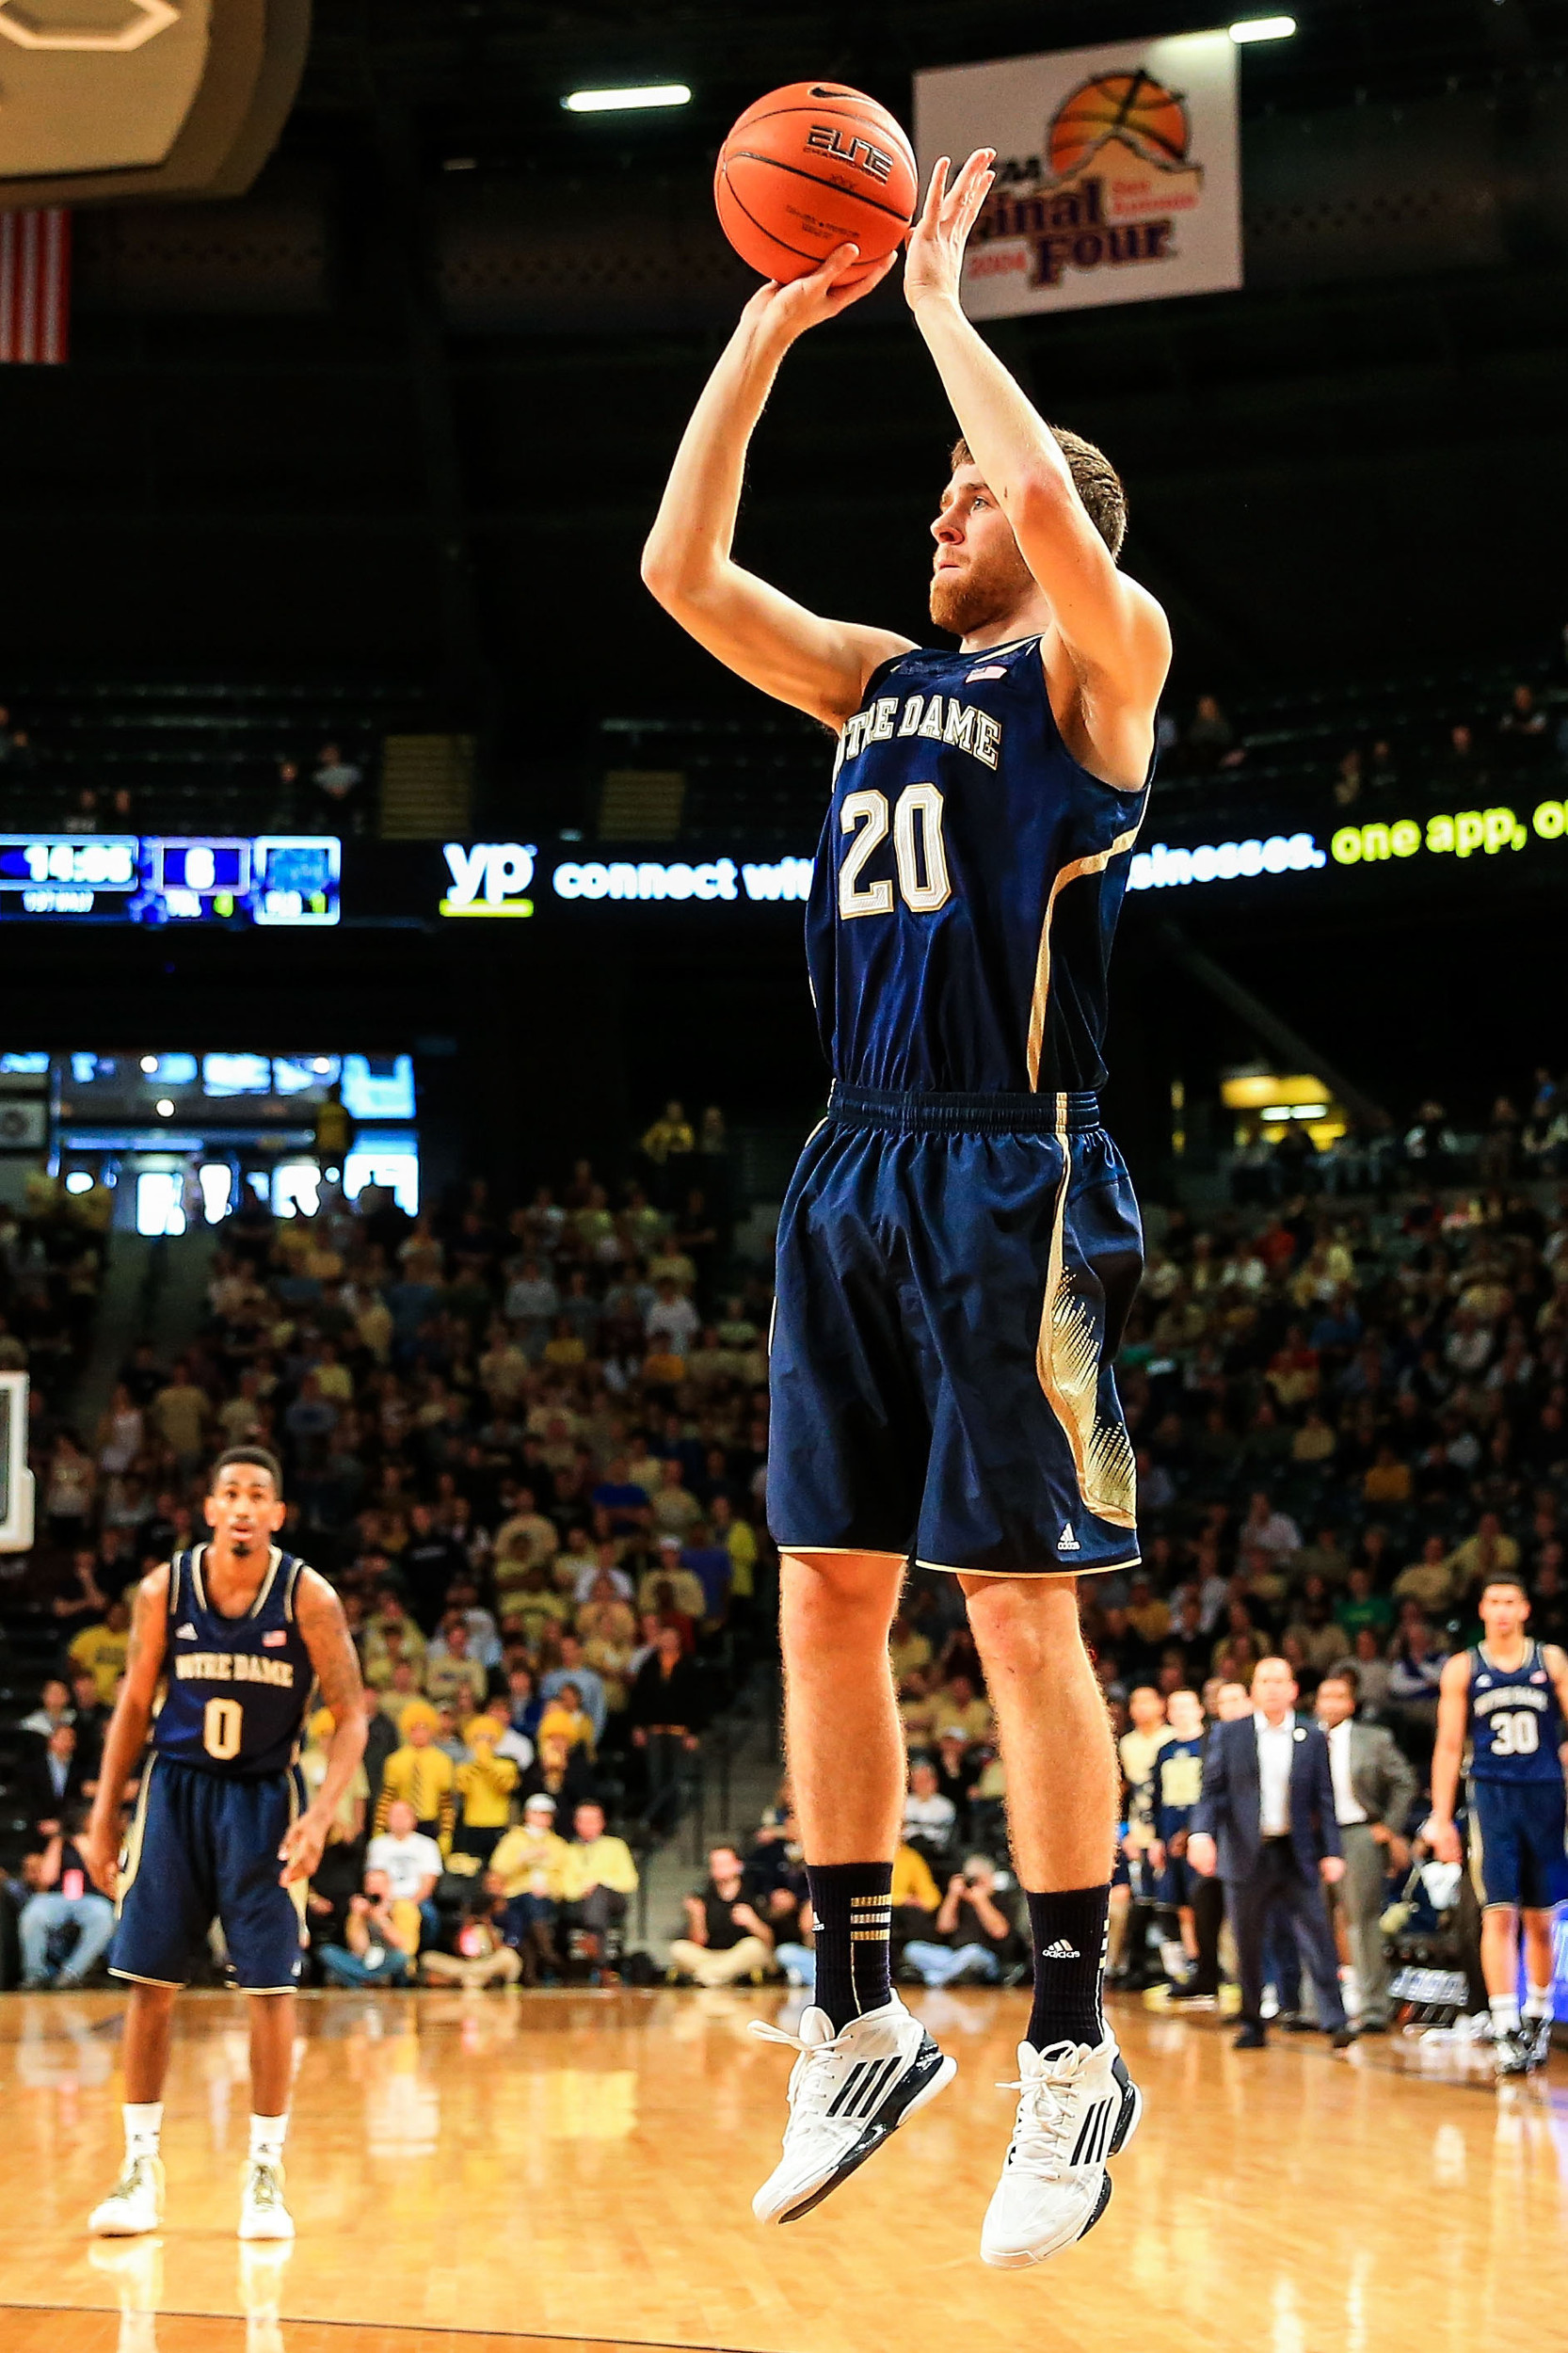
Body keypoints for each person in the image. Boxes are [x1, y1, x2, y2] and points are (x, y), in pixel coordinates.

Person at [643, 144, 1168, 2267]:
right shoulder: (870, 675)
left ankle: (1066, 2044)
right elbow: (682, 571)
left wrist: (948, 311)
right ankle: (853, 2013)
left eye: (961, 496)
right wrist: (760, 336)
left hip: (1007, 1160)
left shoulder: (1092, 667)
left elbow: (1036, 503)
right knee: (822, 1597)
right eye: (937, 493)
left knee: (1015, 1608)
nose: (934, 509)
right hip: (847, 1157)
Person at [79, 1447, 366, 2240]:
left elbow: (353, 1717)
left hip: (265, 1801)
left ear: (278, 1514)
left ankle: (266, 2173)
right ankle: (140, 2168)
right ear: (209, 1509)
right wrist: (105, 1816)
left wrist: (321, 1812)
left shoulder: (308, 1596)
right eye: (230, 1493)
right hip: (175, 1794)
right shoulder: (161, 1591)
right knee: (148, 1981)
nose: (243, 1507)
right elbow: (133, 1707)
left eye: (258, 1496)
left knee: (270, 1988)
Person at [1425, 1575, 1568, 2077]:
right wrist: (1441, 1817)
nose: (1503, 1610)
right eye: (1494, 1602)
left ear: (1525, 1609)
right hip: (1492, 1796)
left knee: (1541, 1918)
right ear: (1482, 1610)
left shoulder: (1550, 1661)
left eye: (1511, 1601)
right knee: (1498, 1913)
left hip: (1547, 1794)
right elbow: (1447, 1746)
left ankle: (1539, 2015)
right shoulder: (1464, 1666)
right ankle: (1505, 2022)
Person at [1188, 1656, 1352, 2051]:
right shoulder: (1231, 1734)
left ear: (1293, 1689)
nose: (1273, 1688)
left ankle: (1335, 2019)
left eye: (1281, 1680)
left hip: (1296, 1853)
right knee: (1247, 1940)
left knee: (1318, 1935)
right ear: (1253, 1690)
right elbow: (1212, 1793)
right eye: (1265, 1681)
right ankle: (1251, 2023)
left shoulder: (1311, 1735)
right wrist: (1201, 1835)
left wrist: (1332, 1851)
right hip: (1247, 1852)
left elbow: (1324, 1800)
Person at [1312, 1667, 1416, 2034]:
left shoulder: (1374, 1738)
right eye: (1326, 1696)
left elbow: (1405, 1781)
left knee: (1362, 1921)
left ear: (1352, 1703)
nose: (1332, 1703)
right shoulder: (1304, 1737)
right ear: (1316, 1703)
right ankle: (1316, 2008)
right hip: (1313, 1838)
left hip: (1357, 1833)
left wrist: (1389, 1826)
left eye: (1340, 1696)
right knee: (1314, 1922)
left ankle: (1373, 2008)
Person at [20, 1811, 118, 1988]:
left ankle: (71, 1974)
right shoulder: (58, 1844)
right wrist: (58, 1840)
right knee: (33, 1914)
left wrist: (83, 1842)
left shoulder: (100, 1842)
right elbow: (46, 1878)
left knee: (104, 1917)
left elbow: (100, 1871)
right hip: (57, 1897)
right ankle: (35, 1975)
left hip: (90, 1898)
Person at [901, 1853, 1022, 1987]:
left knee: (972, 1953)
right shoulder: (960, 1901)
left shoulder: (1002, 1899)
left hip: (985, 1956)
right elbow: (944, 1927)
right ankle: (951, 1974)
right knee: (913, 1949)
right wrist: (953, 1895)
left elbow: (1000, 1932)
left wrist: (981, 1901)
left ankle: (935, 1978)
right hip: (954, 1954)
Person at [668, 1844, 775, 1986]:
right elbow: (698, 1941)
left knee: (754, 1946)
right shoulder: (702, 1896)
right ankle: (722, 1975)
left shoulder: (753, 1893)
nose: (719, 1868)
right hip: (710, 1955)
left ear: (738, 1866)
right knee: (678, 1949)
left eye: (724, 1864)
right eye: (715, 1864)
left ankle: (707, 1976)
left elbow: (769, 1941)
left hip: (740, 1955)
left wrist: (752, 1921)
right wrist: (697, 1916)